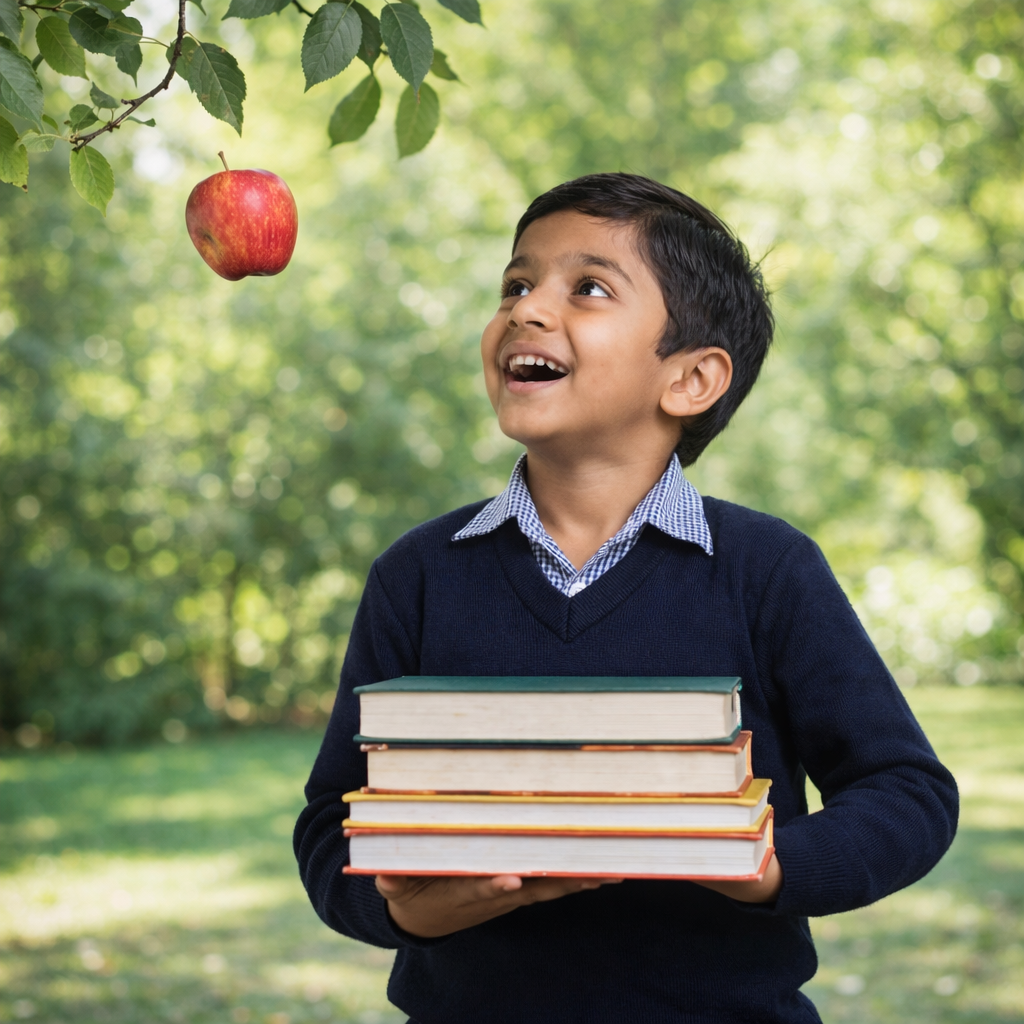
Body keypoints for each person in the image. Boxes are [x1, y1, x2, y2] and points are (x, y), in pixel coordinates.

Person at [294, 173, 958, 1023]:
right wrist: (405, 911)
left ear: (689, 380)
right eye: (516, 284)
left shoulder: (767, 569)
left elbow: (907, 790)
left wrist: (766, 865)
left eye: (589, 287)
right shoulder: (417, 575)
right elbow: (330, 820)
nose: (527, 310)